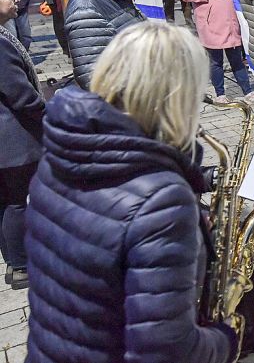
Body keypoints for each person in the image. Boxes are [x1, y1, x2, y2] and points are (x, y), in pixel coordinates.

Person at [25, 21, 239, 363]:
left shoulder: (61, 153)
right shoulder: (161, 199)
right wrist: (225, 340)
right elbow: (165, 351)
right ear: (177, 94)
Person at [0, 0, 43, 290]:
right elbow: (21, 96)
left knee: (6, 202)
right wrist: (49, 112)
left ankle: (13, 261)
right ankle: (21, 265)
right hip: (12, 139)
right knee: (17, 201)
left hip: (7, 138)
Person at [179, 0, 254, 103]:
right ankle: (220, 93)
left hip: (230, 20)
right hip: (210, 22)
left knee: (236, 58)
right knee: (215, 61)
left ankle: (248, 91)